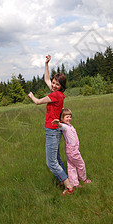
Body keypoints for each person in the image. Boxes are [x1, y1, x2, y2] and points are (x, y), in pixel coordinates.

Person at [28, 55, 74, 196]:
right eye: (54, 83)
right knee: (57, 159)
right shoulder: (57, 93)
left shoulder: (56, 95)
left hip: (53, 130)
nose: (53, 85)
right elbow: (46, 79)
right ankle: (63, 180)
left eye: (57, 84)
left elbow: (37, 102)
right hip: (53, 130)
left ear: (61, 87)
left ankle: (69, 186)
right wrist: (46, 64)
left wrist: (31, 96)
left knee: (51, 162)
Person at [52, 108, 91, 188]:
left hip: (70, 150)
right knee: (81, 164)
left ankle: (74, 183)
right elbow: (61, 126)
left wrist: (62, 109)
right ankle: (83, 179)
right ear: (62, 118)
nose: (69, 118)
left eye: (70, 116)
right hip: (73, 151)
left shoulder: (69, 125)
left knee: (71, 166)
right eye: (67, 117)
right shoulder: (64, 127)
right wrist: (57, 123)